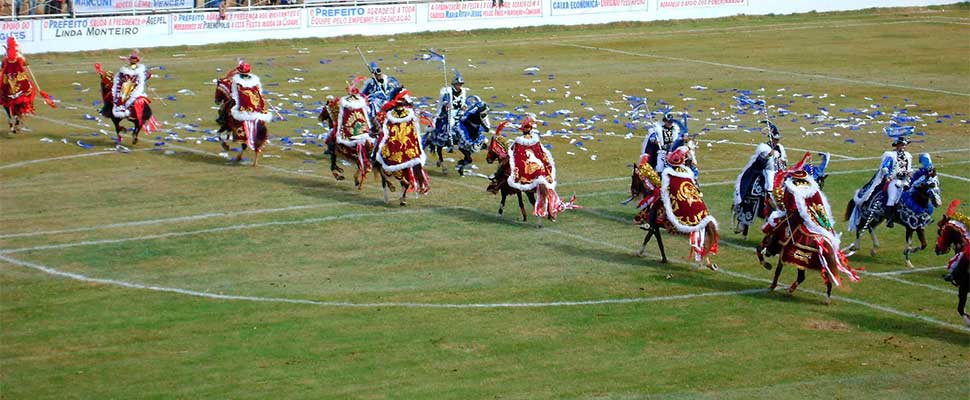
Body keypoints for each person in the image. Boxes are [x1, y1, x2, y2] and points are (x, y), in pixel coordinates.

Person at [507, 116, 577, 220]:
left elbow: (514, 155)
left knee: (517, 170)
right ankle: (551, 209)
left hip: (529, 169)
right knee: (545, 178)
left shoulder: (518, 142)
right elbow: (542, 154)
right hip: (539, 166)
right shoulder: (536, 140)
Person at [849, 126, 913, 230]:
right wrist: (887, 176)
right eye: (901, 145)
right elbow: (885, 167)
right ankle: (889, 218)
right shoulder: (890, 155)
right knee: (892, 197)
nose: (903, 147)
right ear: (897, 145)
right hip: (893, 180)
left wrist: (910, 173)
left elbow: (909, 168)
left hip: (905, 180)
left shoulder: (908, 156)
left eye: (904, 145)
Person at [732, 121, 787, 237]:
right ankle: (743, 220)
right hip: (764, 174)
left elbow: (784, 162)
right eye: (775, 139)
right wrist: (768, 155)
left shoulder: (780, 149)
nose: (777, 141)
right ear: (770, 137)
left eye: (778, 139)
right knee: (758, 190)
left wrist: (781, 161)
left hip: (779, 174)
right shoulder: (764, 148)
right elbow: (759, 162)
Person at [228, 60, 272, 165]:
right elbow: (260, 94)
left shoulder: (236, 81)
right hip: (258, 110)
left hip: (245, 112)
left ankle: (242, 150)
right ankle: (255, 160)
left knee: (233, 119)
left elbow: (234, 95)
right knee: (259, 134)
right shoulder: (255, 81)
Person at [1, 37, 48, 134]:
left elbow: (2, 68)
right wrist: (22, 56)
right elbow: (26, 64)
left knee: (4, 98)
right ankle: (18, 118)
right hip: (20, 83)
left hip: (9, 83)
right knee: (27, 94)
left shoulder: (5, 59)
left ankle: (11, 117)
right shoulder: (19, 58)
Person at [360, 61, 400, 129]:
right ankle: (374, 123)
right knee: (373, 103)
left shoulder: (389, 80)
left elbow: (396, 89)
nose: (378, 76)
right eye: (376, 74)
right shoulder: (370, 83)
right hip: (375, 103)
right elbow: (362, 94)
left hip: (388, 101)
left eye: (379, 74)